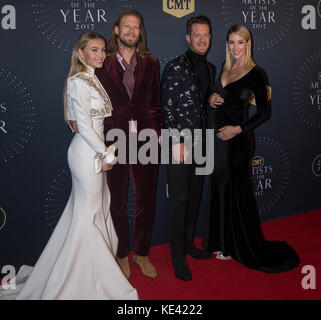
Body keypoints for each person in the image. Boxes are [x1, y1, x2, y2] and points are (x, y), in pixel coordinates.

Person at [0, 32, 138, 300]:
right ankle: (83, 279)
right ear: (81, 53)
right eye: (94, 50)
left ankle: (90, 273)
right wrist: (106, 155)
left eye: (102, 50)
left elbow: (81, 119)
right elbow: (85, 127)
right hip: (87, 154)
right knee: (89, 215)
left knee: (95, 211)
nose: (100, 55)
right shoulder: (78, 82)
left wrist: (99, 147)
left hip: (93, 149)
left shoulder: (92, 79)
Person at [203, 24, 300, 272]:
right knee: (220, 189)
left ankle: (232, 246)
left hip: (237, 142)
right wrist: (210, 99)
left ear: (248, 44)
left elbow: (264, 113)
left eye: (240, 42)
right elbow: (218, 100)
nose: (235, 47)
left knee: (235, 191)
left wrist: (237, 129)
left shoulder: (257, 73)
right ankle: (219, 241)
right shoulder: (225, 67)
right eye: (231, 42)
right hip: (217, 141)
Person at [95, 10, 162, 279]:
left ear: (140, 32)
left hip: (146, 140)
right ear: (116, 29)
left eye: (136, 27)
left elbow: (155, 104)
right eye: (127, 26)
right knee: (117, 203)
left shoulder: (152, 63)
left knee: (147, 200)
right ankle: (121, 254)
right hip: (114, 140)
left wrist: (156, 133)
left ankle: (142, 254)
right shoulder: (102, 64)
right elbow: (89, 100)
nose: (132, 31)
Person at [161, 16, 216, 281]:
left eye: (206, 35)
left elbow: (202, 106)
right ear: (188, 37)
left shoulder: (211, 68)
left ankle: (189, 245)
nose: (202, 40)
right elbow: (167, 108)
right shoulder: (175, 67)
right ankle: (177, 257)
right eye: (197, 35)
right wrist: (177, 142)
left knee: (195, 196)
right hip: (180, 144)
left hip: (202, 142)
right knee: (180, 200)